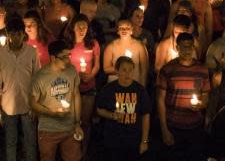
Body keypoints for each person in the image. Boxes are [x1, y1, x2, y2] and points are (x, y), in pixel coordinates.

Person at [156, 32, 210, 161]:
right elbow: (160, 100)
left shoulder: (202, 70)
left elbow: (206, 96)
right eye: (183, 47)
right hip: (173, 126)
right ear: (177, 48)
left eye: (190, 47)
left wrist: (201, 105)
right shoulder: (167, 70)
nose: (187, 50)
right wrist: (164, 130)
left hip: (195, 126)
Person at [0, 16, 40, 161]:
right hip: (8, 105)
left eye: (19, 33)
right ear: (8, 34)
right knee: (10, 140)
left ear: (23, 33)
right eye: (13, 33)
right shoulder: (0, 54)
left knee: (30, 140)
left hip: (28, 104)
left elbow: (37, 79)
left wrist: (35, 105)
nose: (16, 37)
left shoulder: (32, 52)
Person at [30, 40, 83, 161]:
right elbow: (32, 103)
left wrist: (77, 123)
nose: (68, 60)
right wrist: (51, 112)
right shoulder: (40, 76)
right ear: (53, 58)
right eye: (64, 57)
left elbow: (76, 95)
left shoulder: (72, 70)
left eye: (69, 55)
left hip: (69, 128)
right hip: (48, 130)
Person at [96, 56, 151, 161]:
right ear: (117, 71)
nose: (128, 73)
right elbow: (99, 110)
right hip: (113, 139)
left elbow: (146, 116)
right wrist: (112, 115)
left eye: (130, 70)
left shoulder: (140, 90)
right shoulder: (108, 89)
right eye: (124, 70)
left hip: (134, 139)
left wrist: (144, 141)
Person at [64, 14, 100, 157]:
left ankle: (83, 149)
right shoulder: (67, 45)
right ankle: (71, 149)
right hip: (71, 89)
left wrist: (90, 75)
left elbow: (97, 65)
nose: (81, 29)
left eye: (84, 26)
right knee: (72, 120)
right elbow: (63, 65)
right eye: (78, 26)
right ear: (72, 27)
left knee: (85, 120)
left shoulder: (93, 44)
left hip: (88, 88)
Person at [103, 19, 149, 87]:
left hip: (134, 84)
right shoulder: (111, 47)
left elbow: (144, 70)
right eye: (121, 28)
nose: (124, 30)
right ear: (118, 31)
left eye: (127, 28)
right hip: (116, 85)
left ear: (131, 30)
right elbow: (106, 69)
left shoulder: (140, 46)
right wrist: (121, 68)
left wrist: (142, 88)